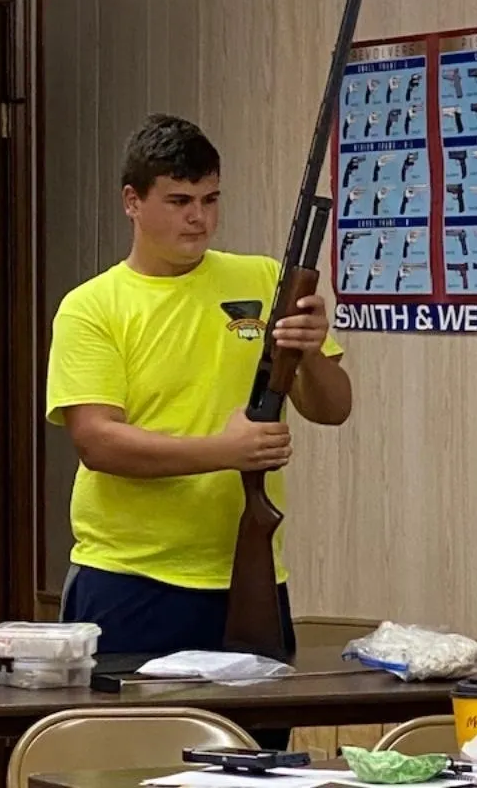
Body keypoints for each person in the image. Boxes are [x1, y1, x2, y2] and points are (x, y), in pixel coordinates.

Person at [46, 113, 352, 746]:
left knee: (256, 761)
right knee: (127, 763)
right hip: (130, 579)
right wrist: (225, 451)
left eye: (211, 200)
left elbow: (332, 407)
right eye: (179, 201)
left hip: (251, 579)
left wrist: (311, 350)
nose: (199, 219)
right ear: (133, 202)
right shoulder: (93, 307)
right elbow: (97, 441)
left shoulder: (262, 280)